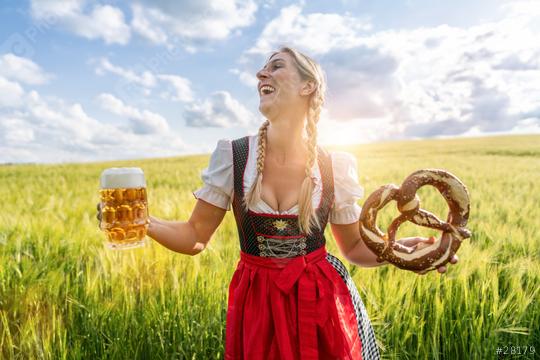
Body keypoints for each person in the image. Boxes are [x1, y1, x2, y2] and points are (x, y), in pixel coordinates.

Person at [98, 46, 457, 359]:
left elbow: (354, 250)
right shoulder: (234, 155)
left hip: (322, 303)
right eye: (263, 67)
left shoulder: (335, 165)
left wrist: (400, 251)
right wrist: (143, 222)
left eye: (276, 65)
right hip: (257, 306)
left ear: (308, 86)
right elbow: (195, 236)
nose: (261, 73)